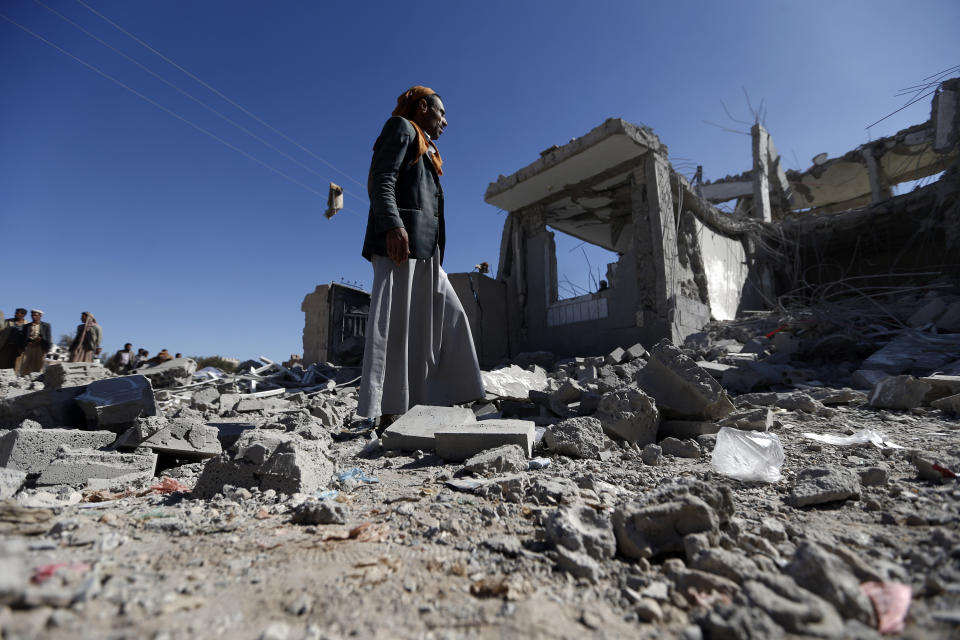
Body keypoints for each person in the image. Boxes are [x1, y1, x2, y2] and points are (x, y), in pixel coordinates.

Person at [357, 86, 484, 430]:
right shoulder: (401, 128)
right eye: (441, 113)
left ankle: (458, 395)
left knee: (449, 316)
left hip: (426, 251)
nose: (446, 121)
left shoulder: (428, 147)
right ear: (423, 107)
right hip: (401, 244)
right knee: (394, 326)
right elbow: (381, 179)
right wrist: (393, 225)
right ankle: (389, 412)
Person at [20, 309, 52, 375]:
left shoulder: (46, 325)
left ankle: (37, 379)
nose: (33, 316)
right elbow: (23, 337)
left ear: (40, 316)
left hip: (40, 347)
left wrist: (47, 347)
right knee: (25, 364)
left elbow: (48, 337)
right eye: (32, 315)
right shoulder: (27, 326)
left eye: (35, 315)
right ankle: (23, 377)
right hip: (29, 347)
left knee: (38, 365)